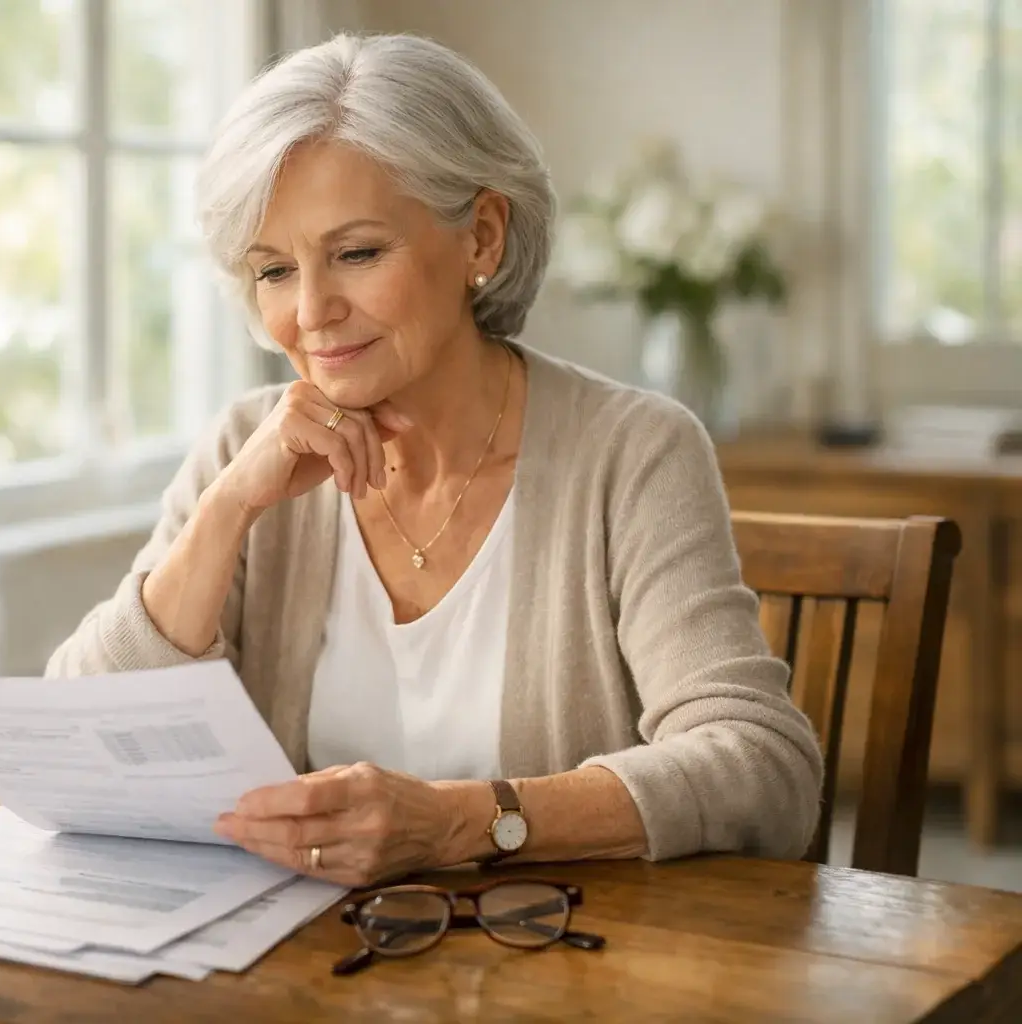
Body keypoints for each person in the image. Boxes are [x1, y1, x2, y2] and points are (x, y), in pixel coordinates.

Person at [47, 32, 823, 888]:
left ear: (482, 239)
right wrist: (225, 510)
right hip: (299, 976)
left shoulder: (634, 452)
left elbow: (764, 768)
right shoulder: (243, 443)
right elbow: (79, 741)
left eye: (357, 253)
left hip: (566, 970)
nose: (310, 313)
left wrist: (461, 822)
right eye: (273, 270)